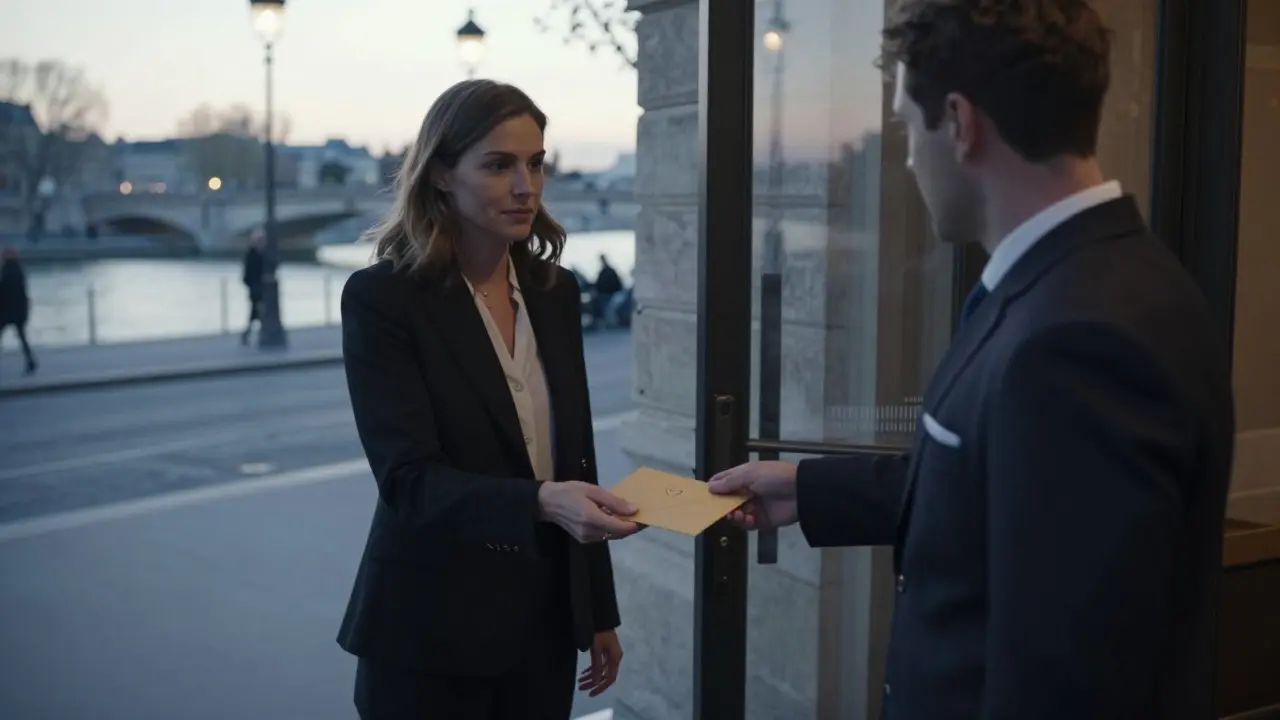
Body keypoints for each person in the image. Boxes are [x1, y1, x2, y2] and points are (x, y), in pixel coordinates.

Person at [709, 1, 1234, 718]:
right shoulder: (1102, 277)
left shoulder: (1078, 341)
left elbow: (1066, 684)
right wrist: (809, 488)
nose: (903, 154)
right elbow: (1007, 484)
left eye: (904, 126)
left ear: (958, 123)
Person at [338, 79, 644, 720]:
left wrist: (597, 613)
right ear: (442, 175)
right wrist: (540, 502)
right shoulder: (383, 300)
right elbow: (409, 482)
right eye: (499, 165)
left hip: (542, 631)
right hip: (427, 640)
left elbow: (574, 464)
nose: (526, 186)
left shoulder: (553, 292)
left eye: (535, 163)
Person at [0, 246, 37, 375]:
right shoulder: (19, 270)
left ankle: (31, 361)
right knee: (22, 337)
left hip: (8, 311)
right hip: (19, 311)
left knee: (19, 336)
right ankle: (31, 361)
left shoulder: (7, 271)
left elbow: (4, 290)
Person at [240, 230, 264, 345]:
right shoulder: (252, 255)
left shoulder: (262, 254)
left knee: (256, 313)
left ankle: (248, 334)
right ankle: (251, 334)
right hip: (256, 289)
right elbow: (247, 275)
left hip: (262, 289)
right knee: (257, 313)